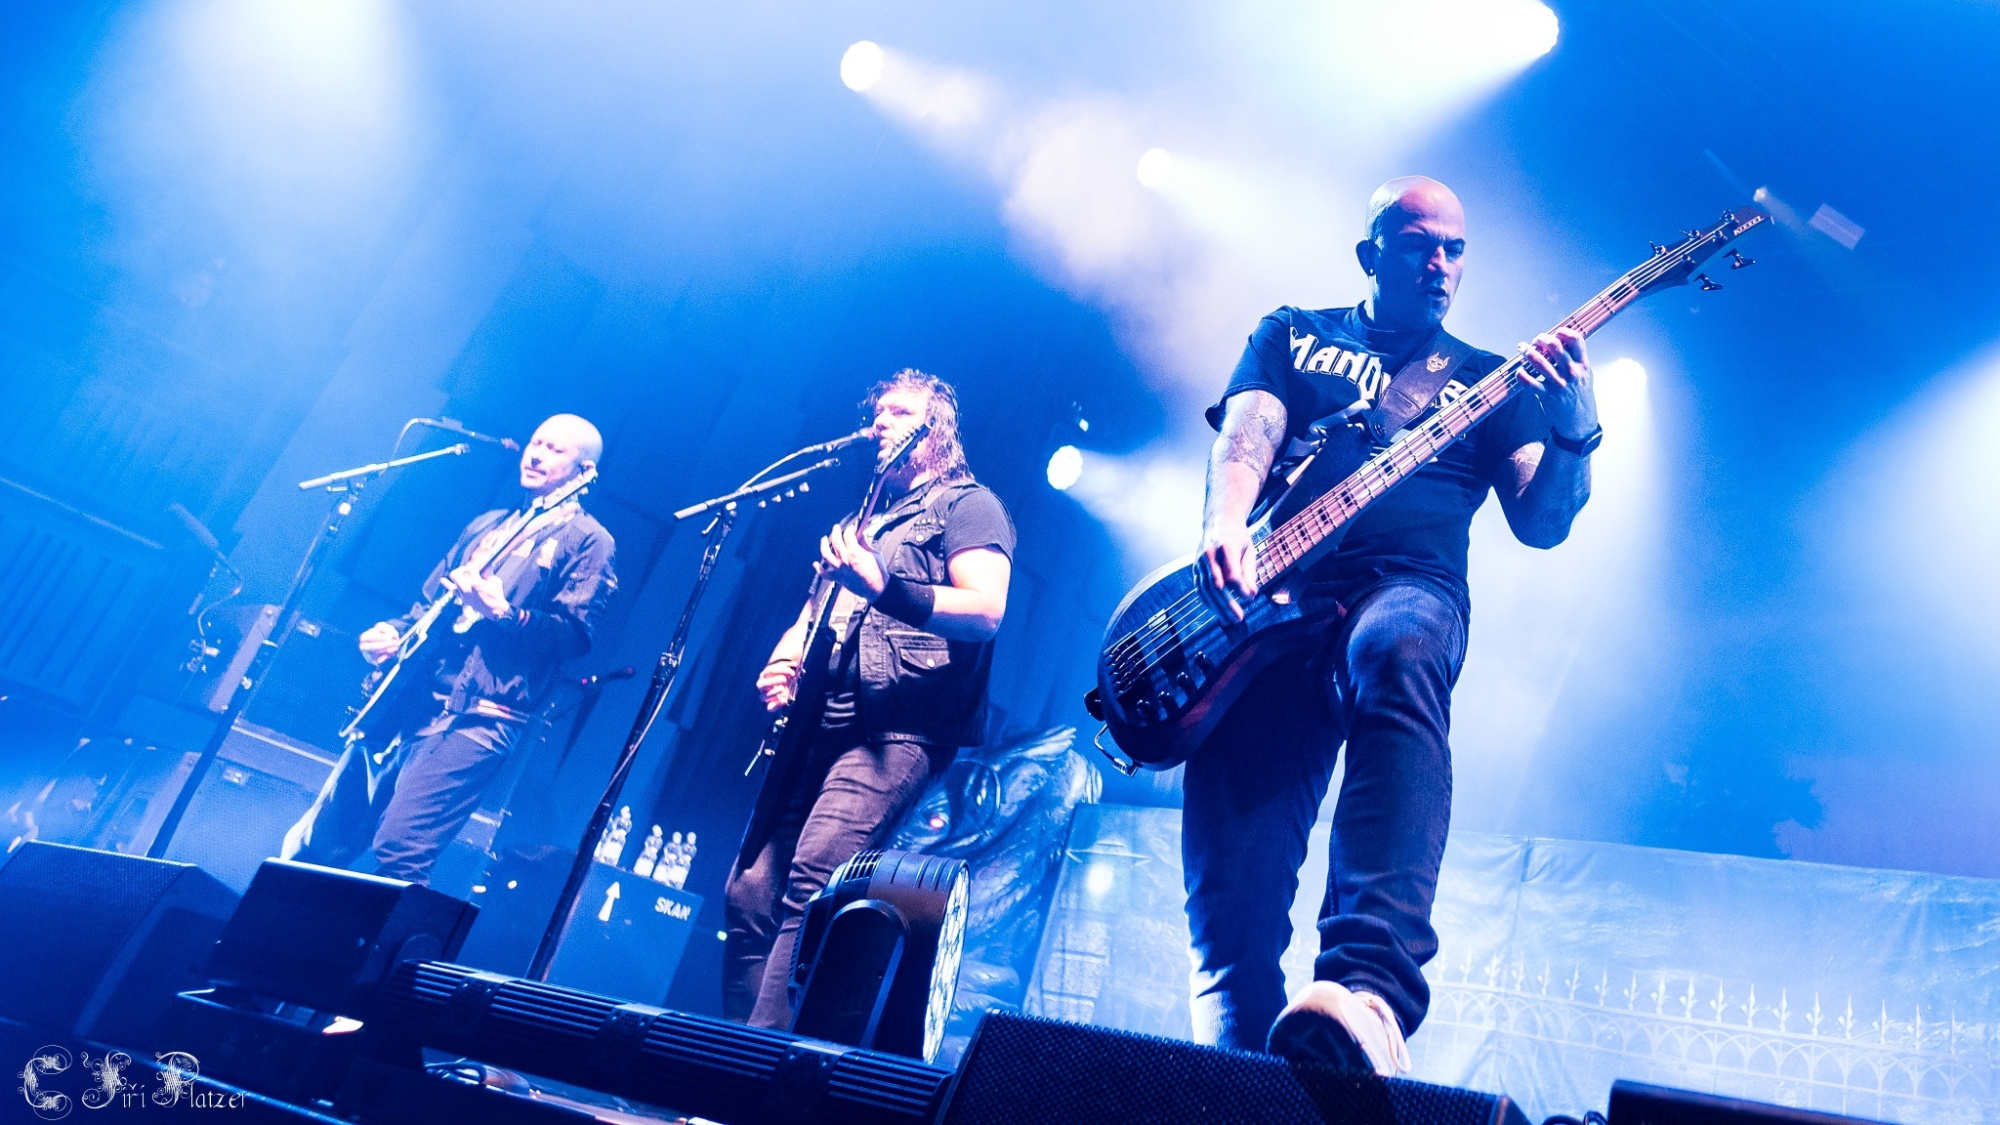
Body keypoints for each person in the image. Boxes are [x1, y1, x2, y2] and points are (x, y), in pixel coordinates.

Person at [1185, 177, 1599, 1073]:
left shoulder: (1491, 380)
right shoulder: (1295, 331)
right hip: (1269, 605)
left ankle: (1367, 992)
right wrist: (1224, 523)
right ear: (1371, 254)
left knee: (1397, 646)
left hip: (1406, 586)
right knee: (1230, 904)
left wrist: (1576, 430)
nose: (1440, 264)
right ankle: (1234, 1071)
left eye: (1455, 248)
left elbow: (1543, 521)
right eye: (1419, 245)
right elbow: (1246, 436)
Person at [724, 370, 1015, 1030]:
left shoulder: (970, 506)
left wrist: (885, 586)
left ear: (937, 430)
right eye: (878, 411)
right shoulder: (862, 519)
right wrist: (784, 658)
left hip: (898, 724)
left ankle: (754, 1071)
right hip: (816, 719)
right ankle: (734, 1049)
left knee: (813, 878)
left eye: (900, 411)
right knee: (748, 893)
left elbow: (985, 610)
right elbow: (815, 609)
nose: (881, 420)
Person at [283, 414, 617, 885]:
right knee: (320, 840)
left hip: (479, 717)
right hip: (408, 698)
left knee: (401, 849)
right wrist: (392, 633)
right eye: (535, 442)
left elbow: (575, 636)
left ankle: (384, 935)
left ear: (585, 471)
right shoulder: (490, 524)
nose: (537, 454)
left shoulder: (590, 541)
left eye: (555, 449)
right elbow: (427, 606)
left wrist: (505, 613)